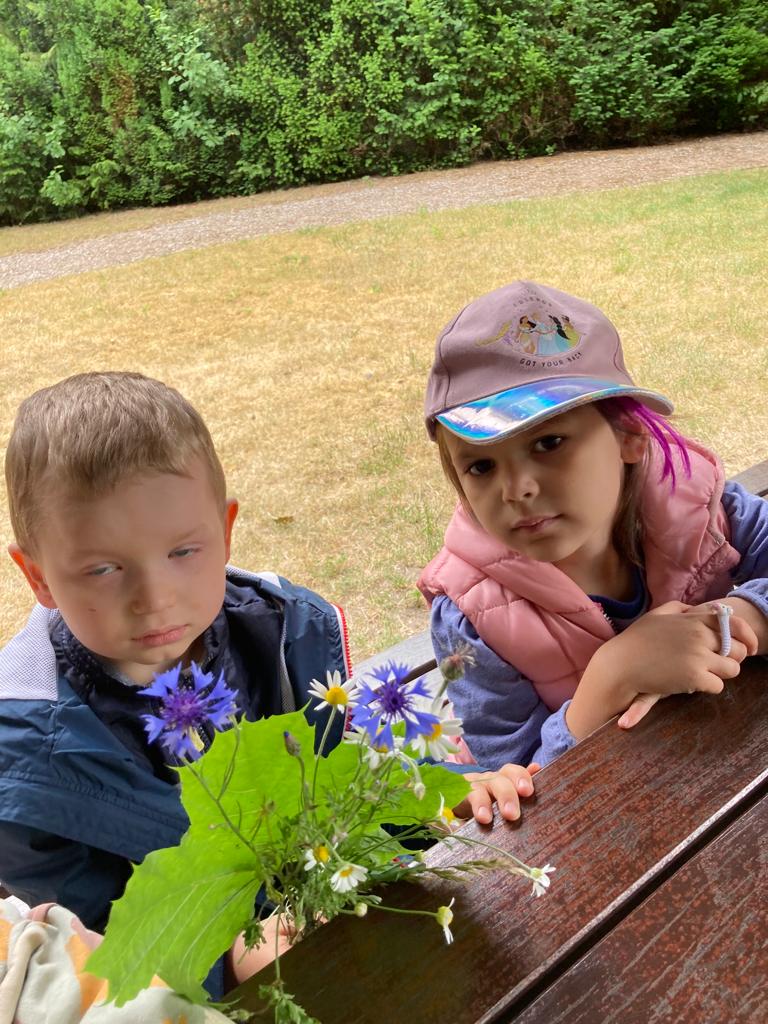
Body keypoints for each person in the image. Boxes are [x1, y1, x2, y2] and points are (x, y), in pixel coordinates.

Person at [0, 371, 355, 994]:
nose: (155, 598)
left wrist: (433, 798)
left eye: (183, 552)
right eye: (103, 569)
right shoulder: (26, 769)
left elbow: (342, 780)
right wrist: (228, 962)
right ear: (40, 577)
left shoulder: (283, 638)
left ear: (226, 532)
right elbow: (97, 951)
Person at [418, 280, 768, 772]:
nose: (515, 489)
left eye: (548, 443)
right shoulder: (471, 615)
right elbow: (515, 782)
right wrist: (611, 676)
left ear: (630, 436)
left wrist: (732, 620)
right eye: (481, 466)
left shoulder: (698, 505)